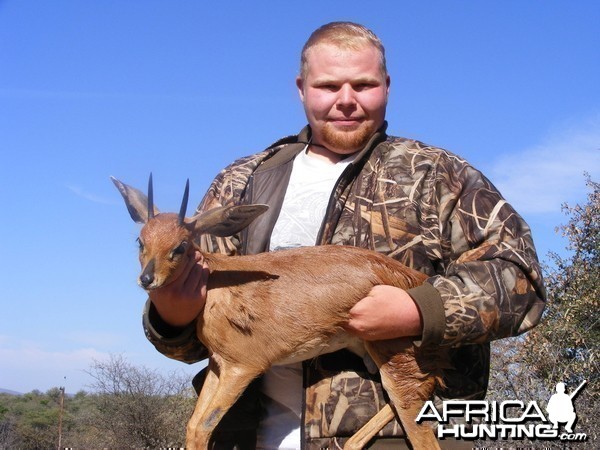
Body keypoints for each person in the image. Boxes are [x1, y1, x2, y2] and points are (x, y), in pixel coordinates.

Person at [142, 22, 546, 449]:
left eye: (364, 84)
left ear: (387, 86)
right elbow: (195, 345)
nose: (346, 101)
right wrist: (170, 317)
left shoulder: (436, 175)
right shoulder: (241, 183)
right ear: (302, 88)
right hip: (249, 437)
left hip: (396, 440)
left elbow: (520, 282)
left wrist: (419, 308)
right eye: (328, 85)